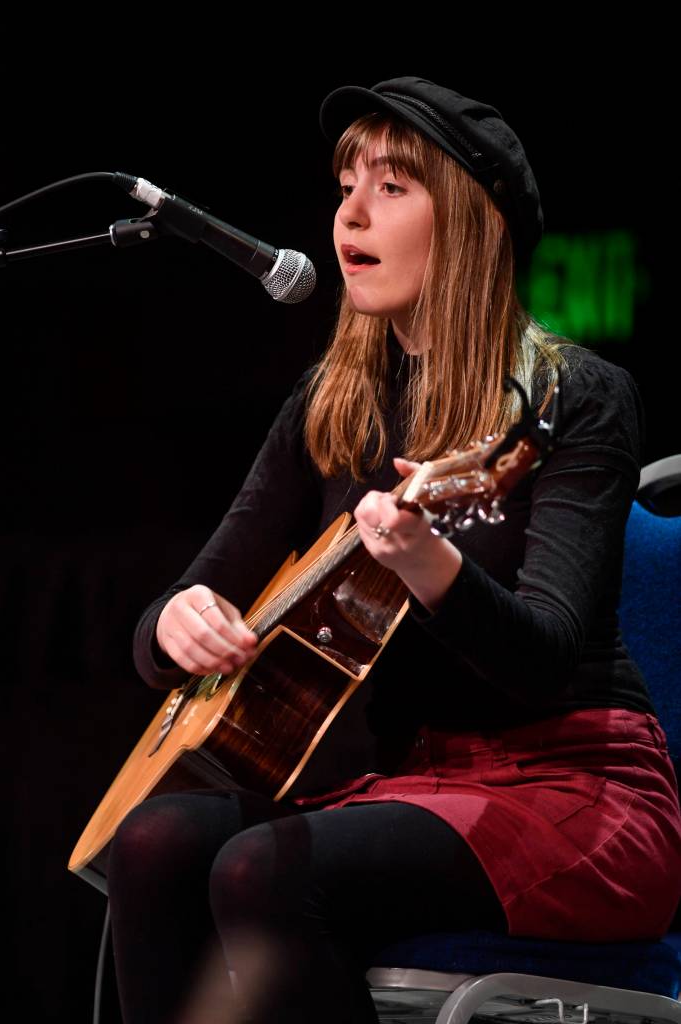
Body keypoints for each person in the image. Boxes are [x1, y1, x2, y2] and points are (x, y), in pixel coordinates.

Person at [106, 77, 681, 1024]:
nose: (350, 214)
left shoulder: (574, 396)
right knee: (156, 839)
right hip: (424, 784)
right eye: (344, 186)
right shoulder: (330, 404)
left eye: (392, 187)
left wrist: (426, 563)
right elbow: (184, 600)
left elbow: (543, 661)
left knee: (261, 869)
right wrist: (172, 622)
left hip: (580, 793)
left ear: (466, 223)